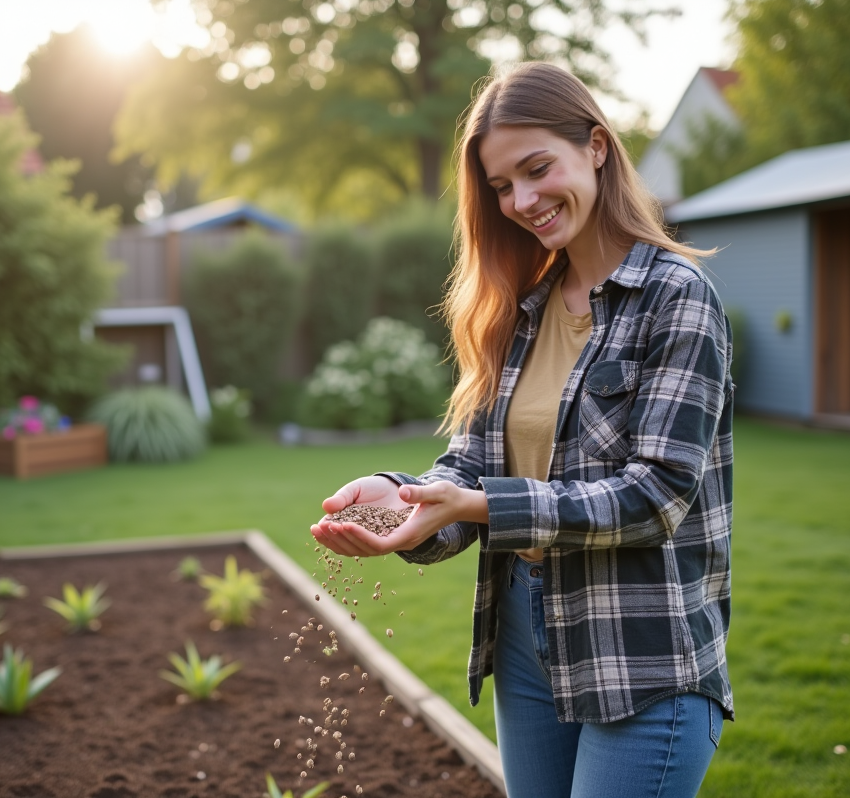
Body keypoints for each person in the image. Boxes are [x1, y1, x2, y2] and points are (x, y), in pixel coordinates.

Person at [310, 61, 734, 798]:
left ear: (596, 147)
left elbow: (656, 496)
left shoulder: (677, 299)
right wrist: (403, 499)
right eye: (502, 186)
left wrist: (478, 506)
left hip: (641, 652)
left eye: (537, 170)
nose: (522, 201)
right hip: (524, 630)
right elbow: (469, 466)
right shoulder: (524, 307)